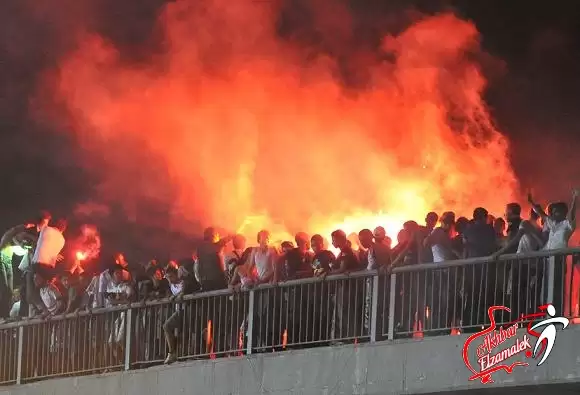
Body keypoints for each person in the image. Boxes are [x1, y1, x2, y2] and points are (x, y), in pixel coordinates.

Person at [528, 189, 578, 313]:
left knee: (556, 288)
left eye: (555, 212)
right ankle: (546, 314)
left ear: (562, 213)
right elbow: (541, 213)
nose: (552, 214)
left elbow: (572, 214)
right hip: (547, 260)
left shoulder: (568, 225)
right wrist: (531, 202)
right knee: (546, 288)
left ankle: (556, 314)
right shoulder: (552, 224)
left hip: (559, 261)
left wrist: (575, 199)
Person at [28, 218, 67, 316]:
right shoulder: (62, 240)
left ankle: (43, 310)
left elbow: (38, 231)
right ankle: (50, 309)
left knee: (30, 292)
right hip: (49, 268)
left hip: (38, 264)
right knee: (47, 289)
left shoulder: (46, 229)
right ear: (63, 229)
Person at [163, 266, 196, 364]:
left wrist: (177, 295)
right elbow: (169, 294)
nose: (170, 279)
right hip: (179, 311)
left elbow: (185, 291)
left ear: (176, 274)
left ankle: (187, 354)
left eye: (171, 276)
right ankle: (171, 352)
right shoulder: (170, 285)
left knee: (186, 333)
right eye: (168, 277)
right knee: (166, 326)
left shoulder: (184, 282)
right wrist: (170, 296)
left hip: (188, 310)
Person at [195, 227, 232, 292]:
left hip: (206, 281)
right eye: (217, 235)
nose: (218, 236)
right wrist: (230, 236)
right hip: (215, 281)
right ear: (212, 235)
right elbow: (218, 245)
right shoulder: (207, 246)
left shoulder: (201, 248)